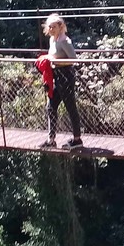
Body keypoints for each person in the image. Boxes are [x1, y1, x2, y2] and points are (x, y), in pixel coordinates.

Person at [39, 14, 82, 149]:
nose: (51, 29)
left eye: (54, 27)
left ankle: (77, 139)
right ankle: (51, 139)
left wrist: (56, 61)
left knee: (70, 107)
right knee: (51, 106)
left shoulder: (65, 41)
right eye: (49, 27)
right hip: (56, 76)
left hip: (66, 76)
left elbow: (74, 59)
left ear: (60, 27)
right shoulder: (53, 40)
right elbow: (52, 55)